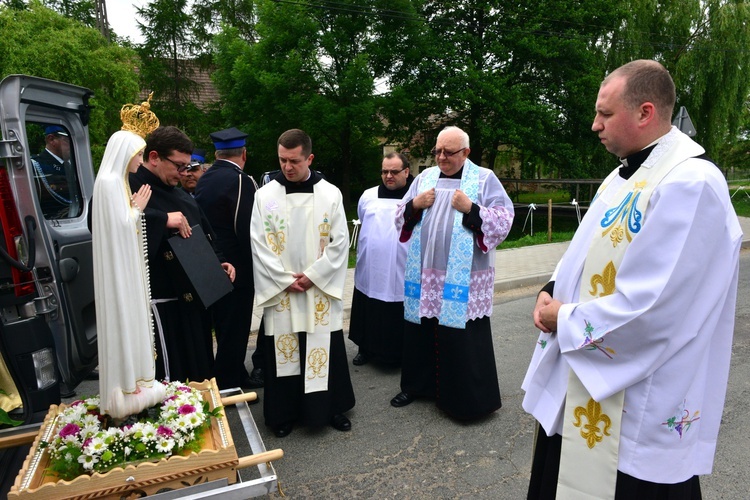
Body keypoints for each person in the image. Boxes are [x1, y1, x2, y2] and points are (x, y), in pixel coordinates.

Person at [522, 60, 742, 499]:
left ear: (645, 112)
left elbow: (655, 309)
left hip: (638, 402)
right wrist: (552, 288)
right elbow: (585, 251)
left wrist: (563, 317)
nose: (594, 124)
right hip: (583, 380)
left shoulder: (690, 183)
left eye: (605, 114)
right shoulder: (623, 174)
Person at [389, 126, 514, 420]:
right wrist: (415, 204)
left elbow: (505, 218)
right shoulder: (424, 177)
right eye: (438, 151)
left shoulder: (484, 178)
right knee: (422, 328)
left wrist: (471, 208)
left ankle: (463, 398)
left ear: (466, 152)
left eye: (449, 152)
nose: (441, 157)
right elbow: (400, 213)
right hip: (425, 273)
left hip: (464, 276)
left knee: (460, 336)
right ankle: (417, 387)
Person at [250, 128, 355, 437]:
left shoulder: (330, 193)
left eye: (294, 160)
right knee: (285, 351)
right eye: (282, 160)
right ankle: (283, 414)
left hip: (317, 288)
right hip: (283, 290)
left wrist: (313, 276)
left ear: (309, 157)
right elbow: (258, 243)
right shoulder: (264, 196)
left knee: (323, 347)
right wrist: (284, 280)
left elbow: (340, 243)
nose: (287, 167)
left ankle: (331, 408)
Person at [129, 126, 236, 383]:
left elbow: (205, 231)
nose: (184, 173)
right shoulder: (126, 185)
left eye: (188, 167)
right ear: (154, 157)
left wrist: (220, 260)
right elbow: (107, 224)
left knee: (199, 367)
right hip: (161, 303)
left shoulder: (179, 193)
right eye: (178, 166)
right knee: (171, 374)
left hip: (194, 299)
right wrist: (161, 219)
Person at [92, 100, 166, 418]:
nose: (139, 160)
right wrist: (136, 210)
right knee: (124, 323)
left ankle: (138, 384)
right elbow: (117, 230)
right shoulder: (109, 184)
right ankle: (126, 389)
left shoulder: (117, 182)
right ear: (124, 153)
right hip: (118, 275)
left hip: (128, 270)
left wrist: (134, 211)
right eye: (137, 154)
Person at [195, 127, 264, 390]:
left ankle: (235, 372)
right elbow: (247, 228)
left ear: (216, 153)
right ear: (244, 153)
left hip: (211, 260)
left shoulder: (205, 177)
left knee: (223, 325)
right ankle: (228, 381)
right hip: (237, 265)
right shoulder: (241, 180)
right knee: (236, 326)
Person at [348, 152, 413, 366]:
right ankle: (365, 349)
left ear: (406, 171)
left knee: (396, 311)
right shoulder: (368, 195)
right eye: (385, 171)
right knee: (369, 308)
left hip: (401, 267)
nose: (389, 176)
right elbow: (362, 217)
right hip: (370, 266)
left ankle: (397, 355)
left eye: (394, 171)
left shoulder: (414, 197)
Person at [31, 125, 81, 218]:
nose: (73, 145)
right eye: (68, 140)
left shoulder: (74, 165)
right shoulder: (36, 165)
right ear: (51, 140)